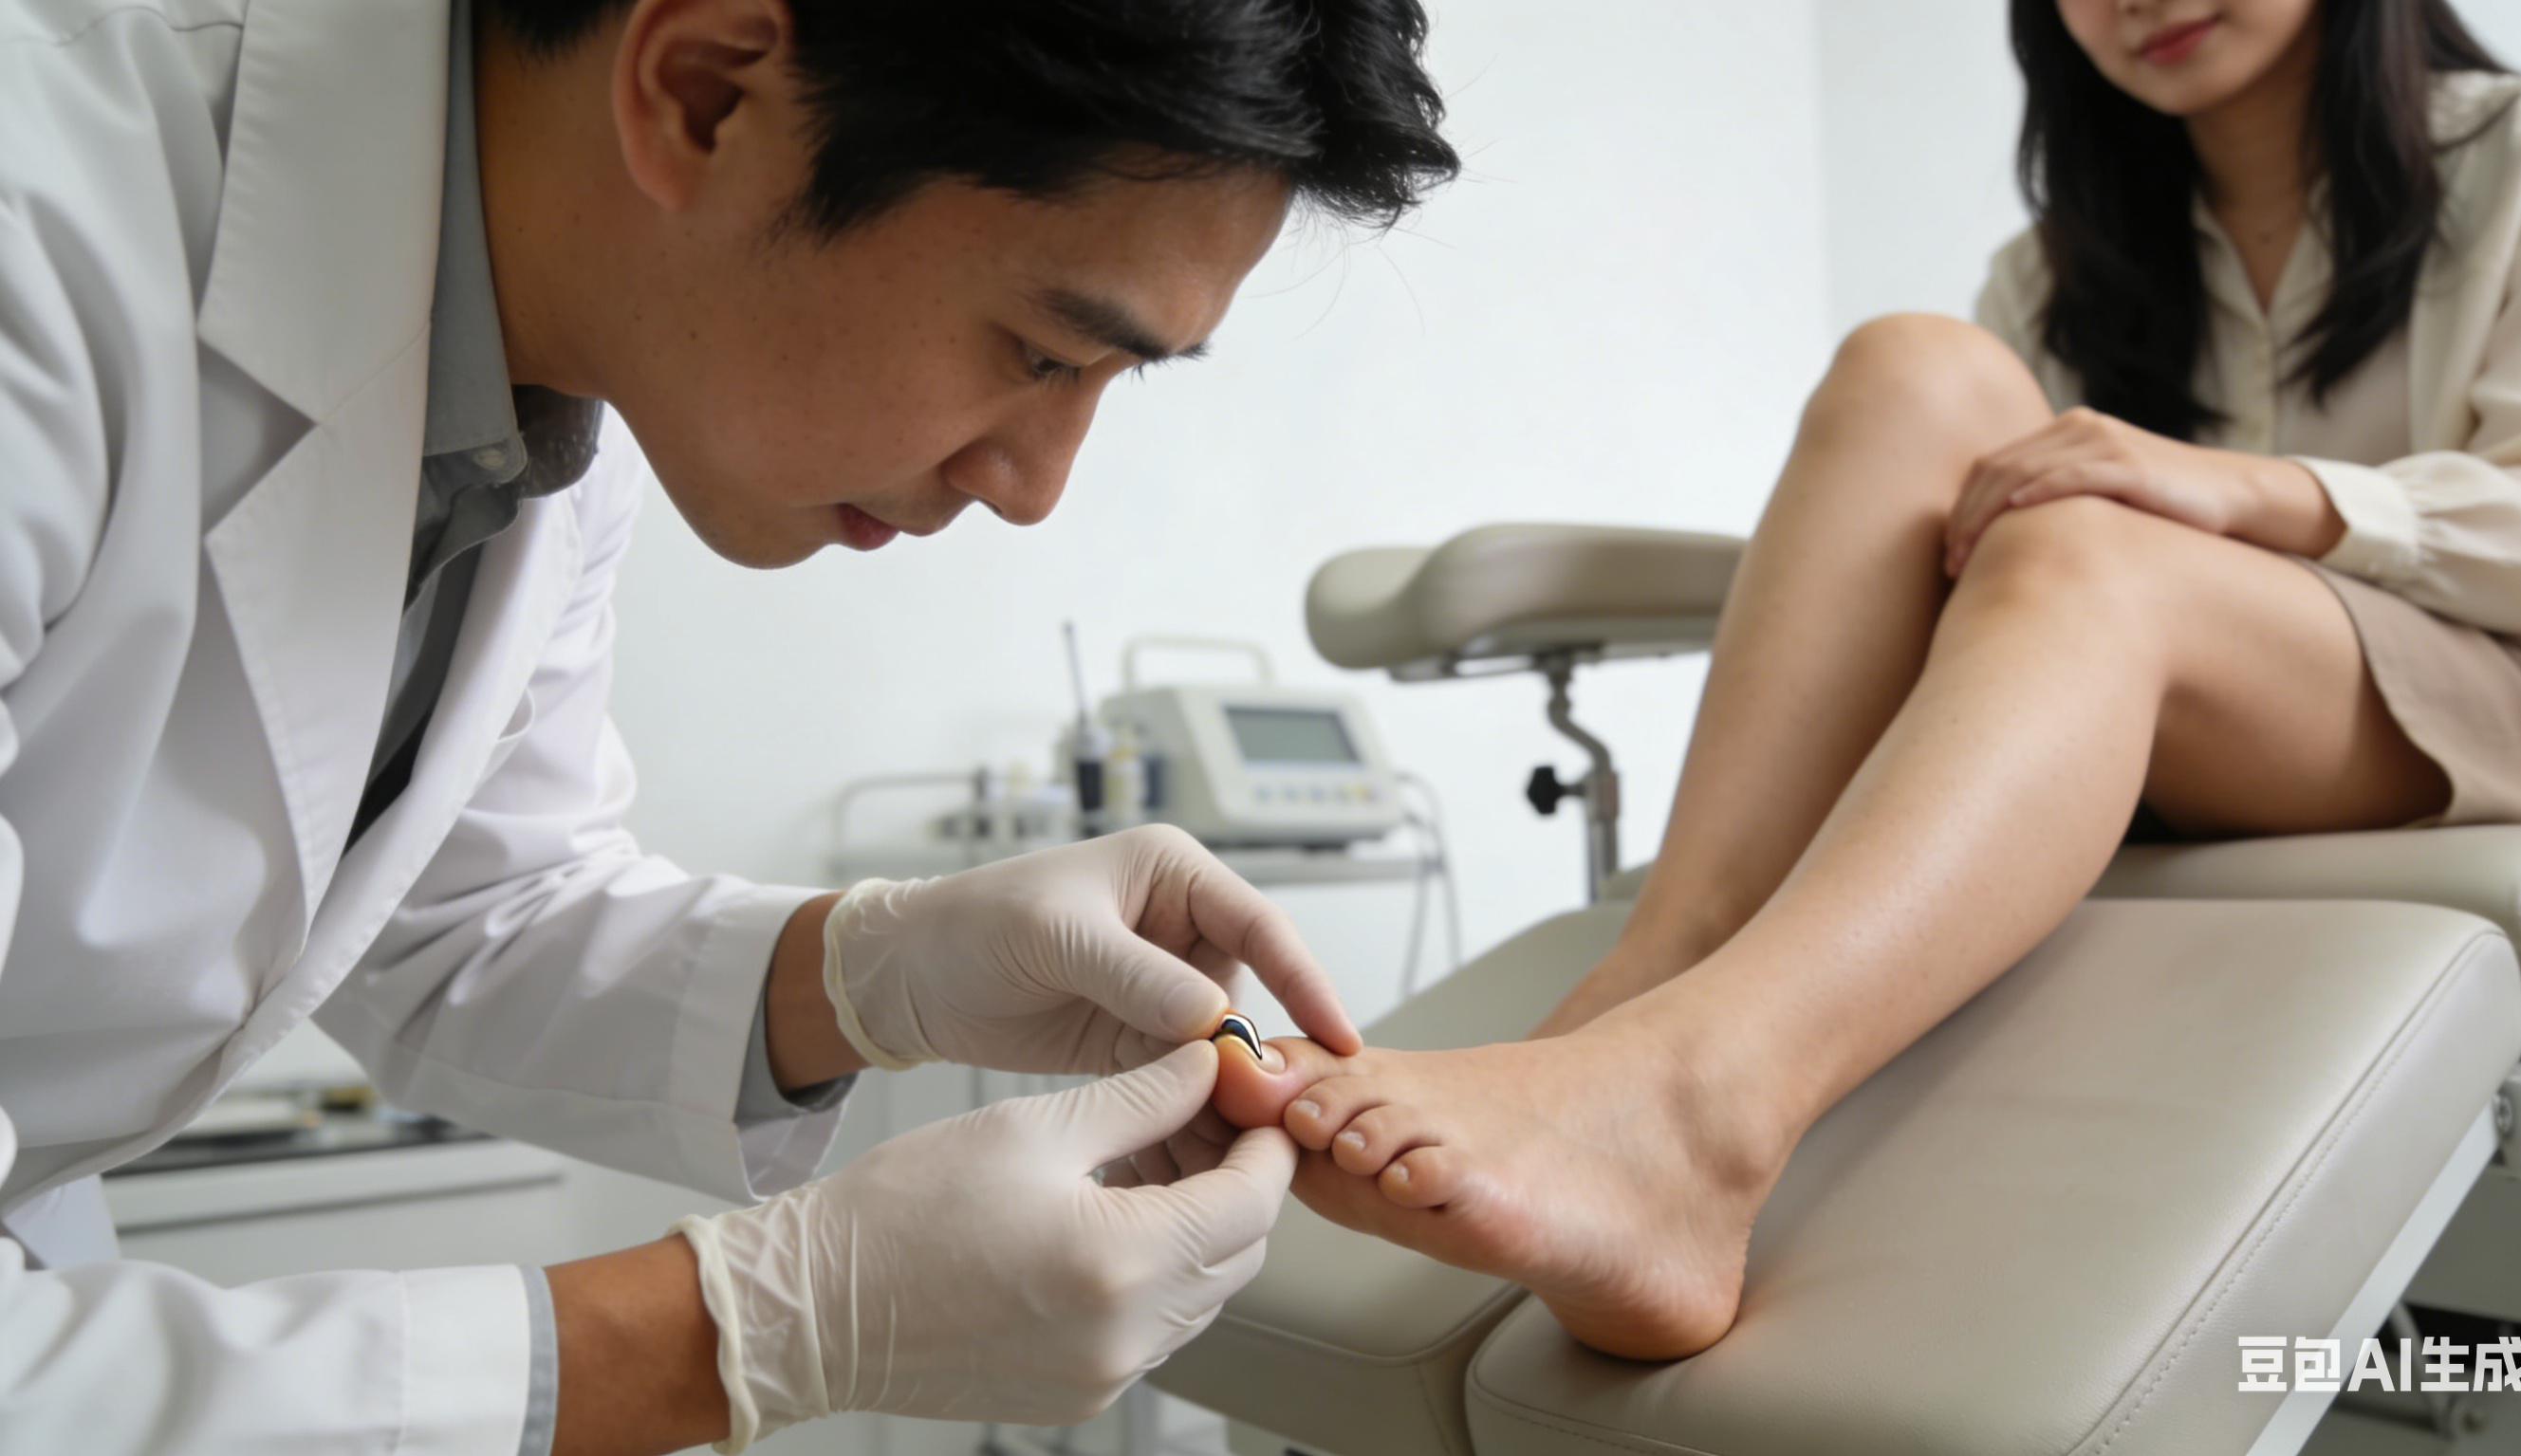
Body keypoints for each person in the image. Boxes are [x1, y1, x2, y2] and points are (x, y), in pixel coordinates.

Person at [0, 0, 1455, 1450]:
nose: (1032, 486)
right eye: (1038, 352)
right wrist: (757, 1325)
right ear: (703, 89)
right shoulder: (38, 245)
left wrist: (879, 969)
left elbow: (464, 914)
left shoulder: (552, 363)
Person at [1208, 0, 2521, 1364]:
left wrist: (2253, 494)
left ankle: (1701, 1117)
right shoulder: (2061, 268)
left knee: (2092, 549)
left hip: (2520, 705)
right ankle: (1641, 998)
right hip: (2192, 732)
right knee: (1913, 364)